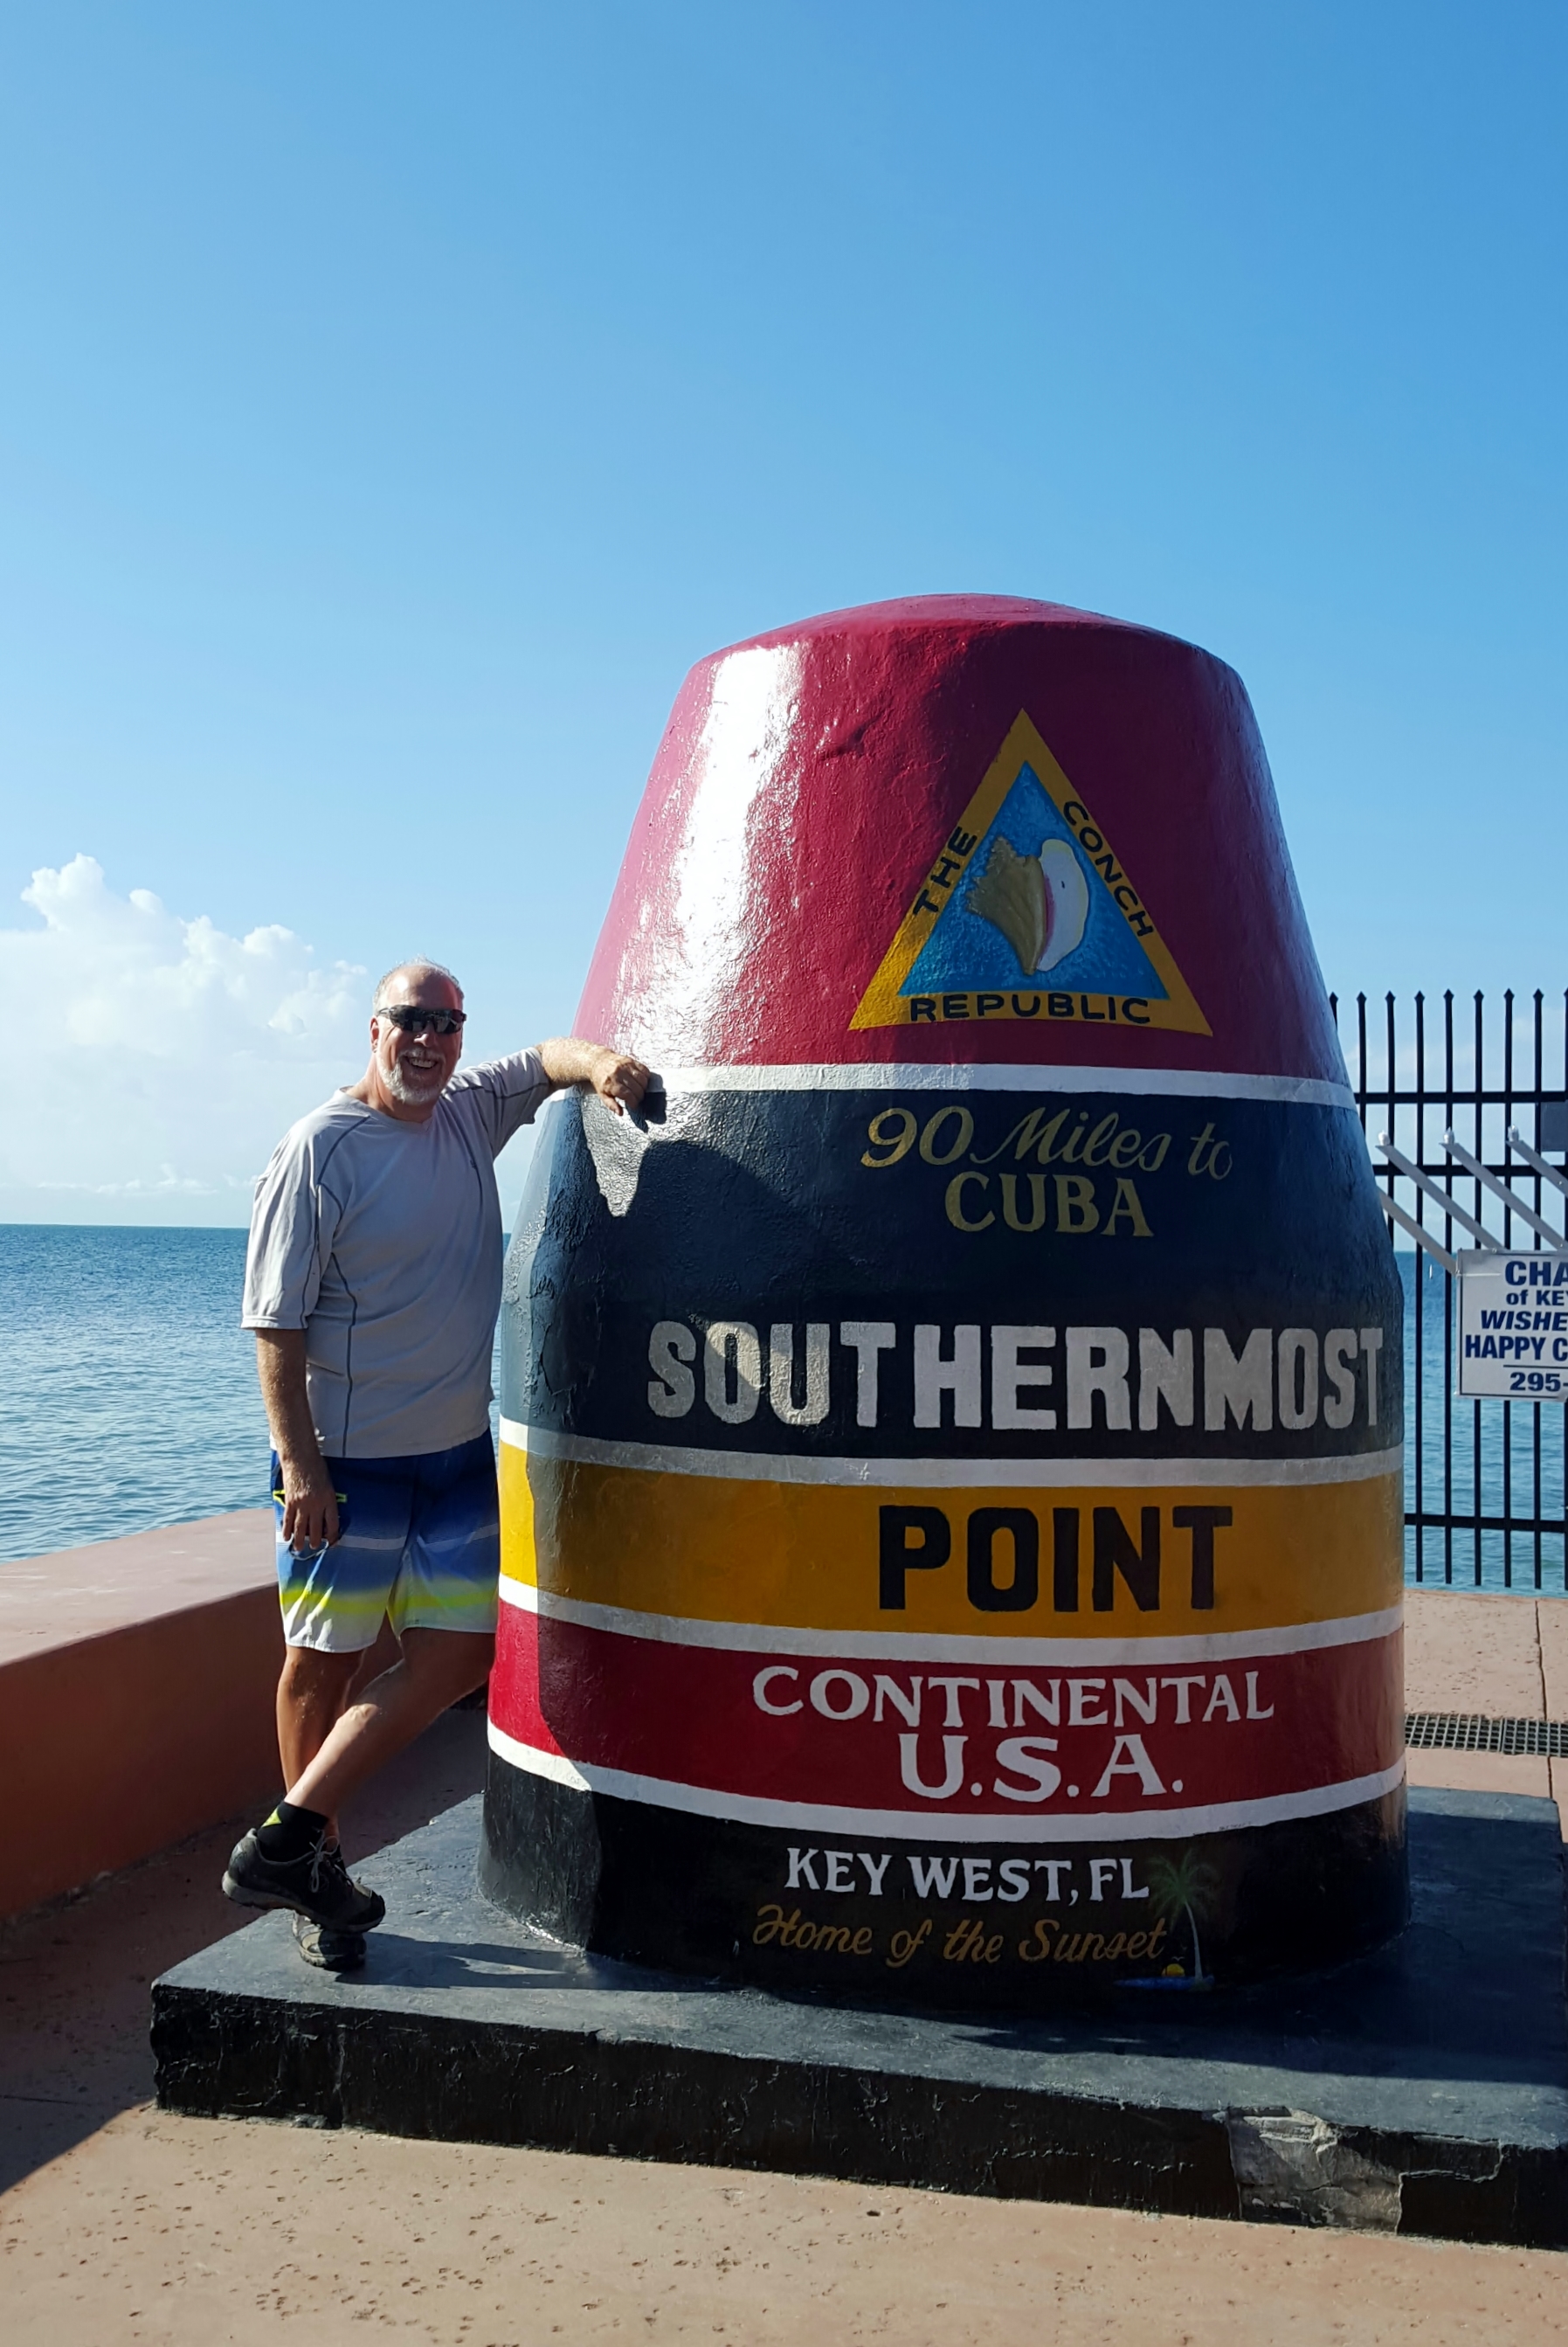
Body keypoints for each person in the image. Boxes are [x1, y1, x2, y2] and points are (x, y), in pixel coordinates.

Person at [223, 959, 647, 1968]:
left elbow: (548, 1060)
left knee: (457, 1655)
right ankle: (314, 1884)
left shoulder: (466, 1111)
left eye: (446, 1023)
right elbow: (272, 1326)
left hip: (454, 1453)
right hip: (347, 1465)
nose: (429, 1039)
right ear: (372, 1028)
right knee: (320, 1666)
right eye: (410, 1020)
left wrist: (607, 1066)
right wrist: (304, 1467)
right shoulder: (318, 1149)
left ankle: (284, 1840)